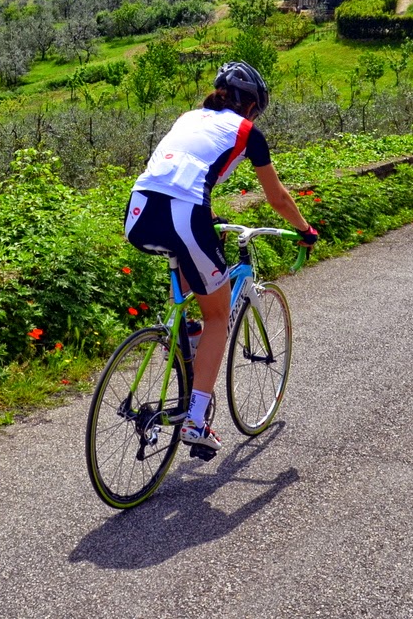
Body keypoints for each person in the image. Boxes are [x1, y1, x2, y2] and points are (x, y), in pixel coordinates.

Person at [123, 61, 318, 454]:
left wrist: (211, 217)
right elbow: (277, 197)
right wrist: (305, 229)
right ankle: (195, 421)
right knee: (219, 315)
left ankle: (184, 334)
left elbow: (180, 172)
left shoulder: (189, 117)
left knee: (193, 276)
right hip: (184, 215)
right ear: (252, 107)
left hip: (138, 213)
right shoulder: (247, 132)